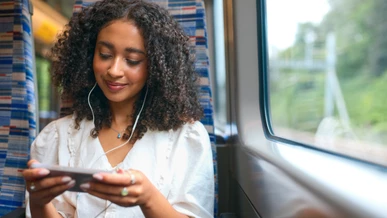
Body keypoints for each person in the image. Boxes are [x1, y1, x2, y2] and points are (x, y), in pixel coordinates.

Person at [22, 0, 214, 217]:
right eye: (105, 55)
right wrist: (39, 201)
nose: (114, 70)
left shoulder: (187, 138)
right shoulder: (57, 136)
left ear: (157, 67)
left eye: (132, 60)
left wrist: (148, 198)